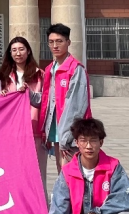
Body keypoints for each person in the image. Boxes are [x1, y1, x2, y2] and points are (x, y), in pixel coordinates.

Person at [0, 37, 46, 195]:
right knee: (14, 174)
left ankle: (41, 208)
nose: (18, 53)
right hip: (11, 133)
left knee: (37, 175)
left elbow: (46, 101)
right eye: (14, 50)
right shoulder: (4, 76)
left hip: (34, 131)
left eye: (21, 49)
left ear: (28, 51)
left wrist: (29, 94)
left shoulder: (40, 75)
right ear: (10, 54)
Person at [38, 23, 92, 174]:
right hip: (56, 128)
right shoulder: (50, 69)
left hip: (71, 131)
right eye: (51, 42)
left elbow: (76, 106)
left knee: (72, 171)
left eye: (59, 41)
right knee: (61, 169)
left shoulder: (75, 69)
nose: (55, 46)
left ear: (68, 42)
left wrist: (68, 136)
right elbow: (47, 98)